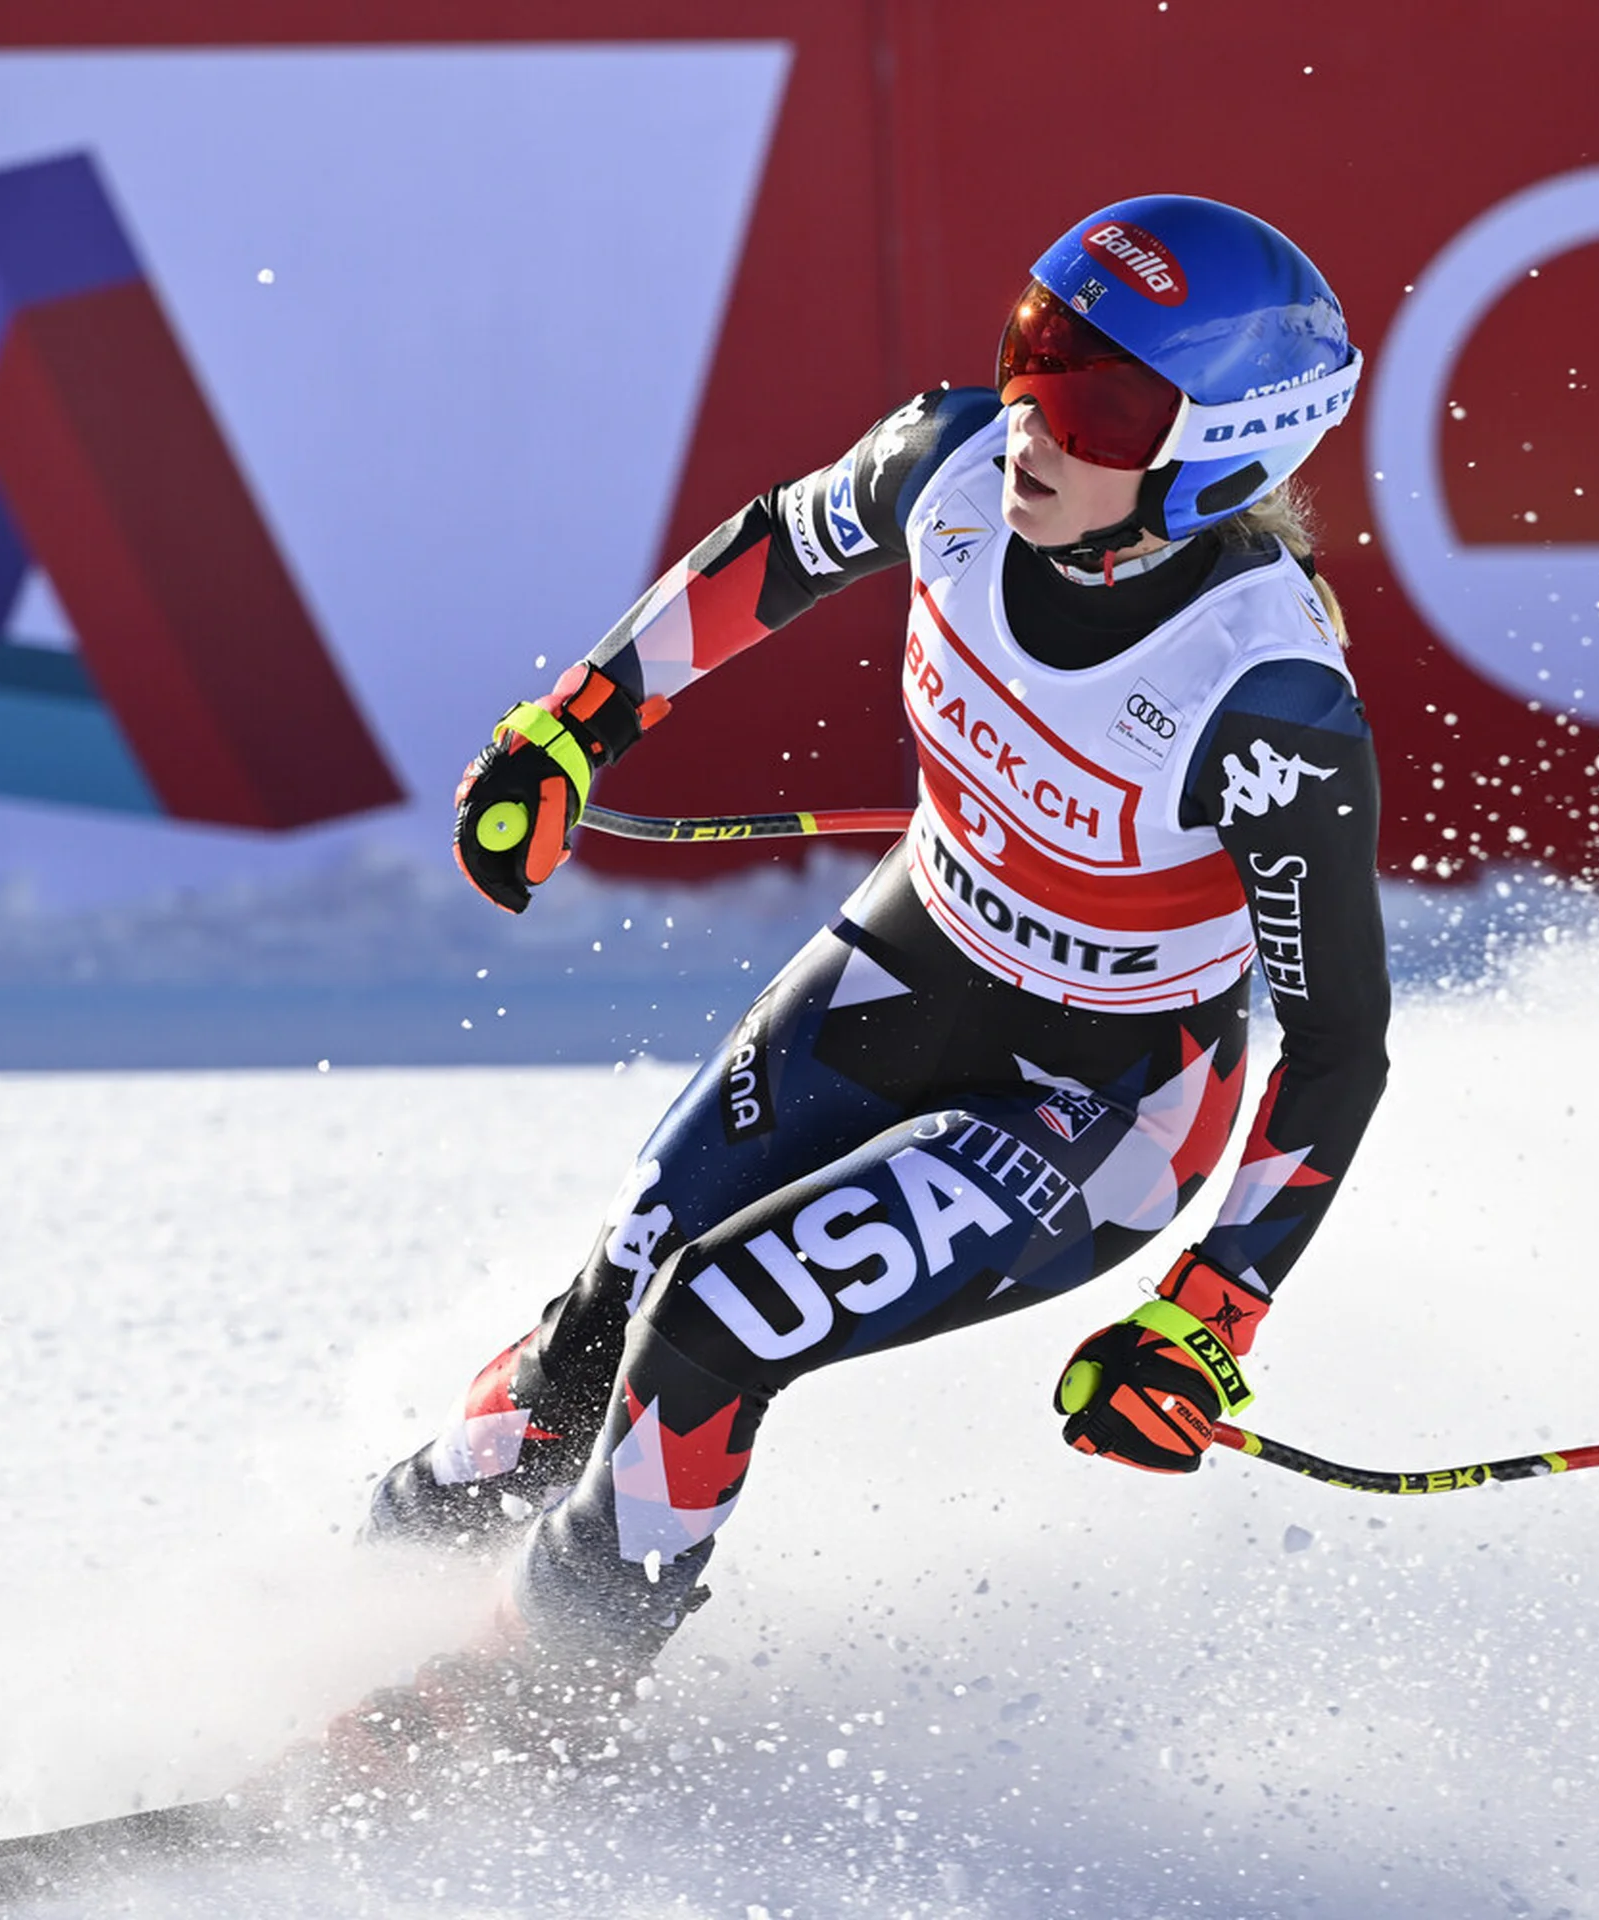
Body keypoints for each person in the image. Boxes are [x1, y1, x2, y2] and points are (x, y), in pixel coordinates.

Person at [357, 194, 1391, 1727]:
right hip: (912, 961)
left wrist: (1206, 1316)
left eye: (1101, 399)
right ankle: (358, 1605)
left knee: (713, 1321)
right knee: (591, 1335)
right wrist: (575, 726)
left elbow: (1335, 1049)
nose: (1035, 418)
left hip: (1099, 1104)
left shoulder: (1265, 699)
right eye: (1034, 349)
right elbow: (772, 552)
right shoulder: (951, 464)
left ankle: (546, 1706)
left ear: (1220, 451)